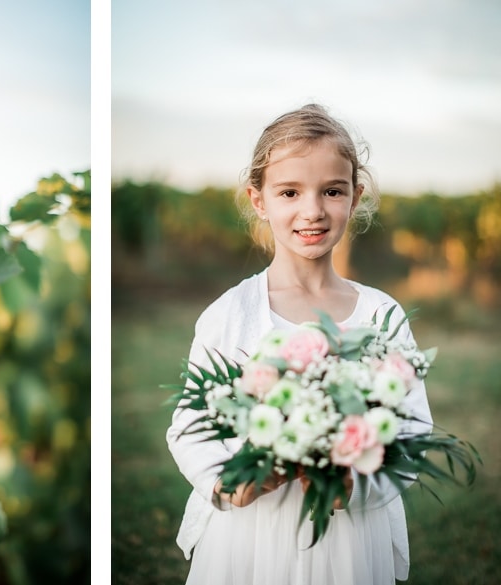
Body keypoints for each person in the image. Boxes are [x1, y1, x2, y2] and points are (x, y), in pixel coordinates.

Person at [166, 104, 433, 585]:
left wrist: (355, 485)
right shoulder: (231, 314)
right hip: (250, 536)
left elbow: (411, 432)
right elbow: (188, 426)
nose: (312, 210)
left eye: (332, 191)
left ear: (355, 197)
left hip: (349, 535)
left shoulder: (382, 316)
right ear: (259, 199)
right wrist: (228, 482)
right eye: (290, 191)